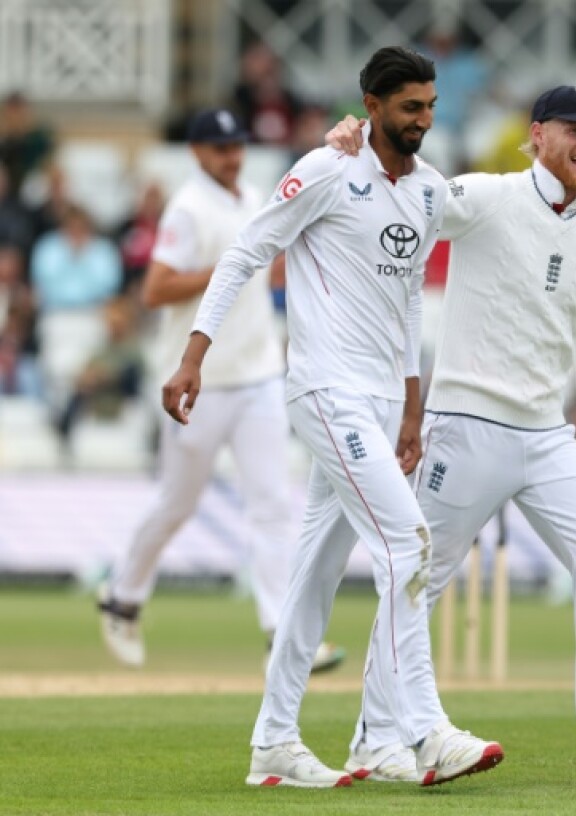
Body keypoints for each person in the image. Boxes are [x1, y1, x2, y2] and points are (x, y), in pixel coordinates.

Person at [325, 85, 576, 784]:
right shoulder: (489, 196)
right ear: (538, 134)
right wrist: (358, 152)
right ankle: (375, 737)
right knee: (418, 578)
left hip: (549, 435)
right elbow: (407, 199)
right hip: (464, 425)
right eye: (575, 129)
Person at [162, 47, 504, 789]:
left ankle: (275, 745)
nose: (423, 120)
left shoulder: (427, 191)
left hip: (380, 404)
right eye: (409, 107)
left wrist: (411, 403)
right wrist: (194, 355)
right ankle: (423, 730)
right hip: (326, 391)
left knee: (313, 578)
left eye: (430, 106)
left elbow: (407, 299)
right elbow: (244, 254)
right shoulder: (325, 169)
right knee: (408, 545)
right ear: (371, 106)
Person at [95, 109, 344, 675]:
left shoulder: (252, 195)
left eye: (236, 146)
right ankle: (123, 598)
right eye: (220, 148)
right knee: (177, 503)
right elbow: (156, 289)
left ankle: (282, 634)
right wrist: (232, 266)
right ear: (197, 152)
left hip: (258, 374)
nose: (232, 157)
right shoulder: (188, 208)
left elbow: (267, 270)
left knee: (272, 505)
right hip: (199, 383)